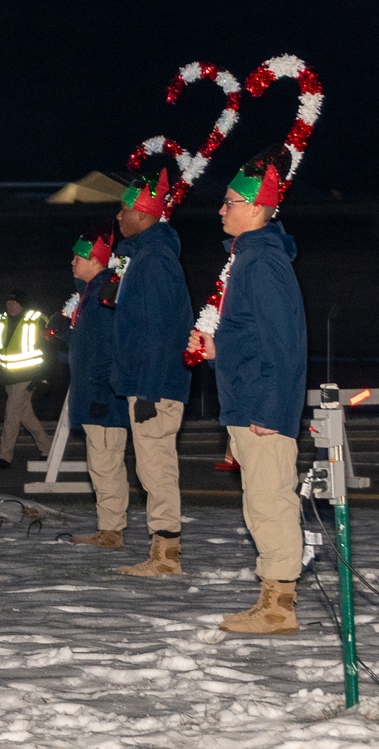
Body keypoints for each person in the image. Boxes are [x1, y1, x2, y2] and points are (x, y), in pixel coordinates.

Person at [187, 147, 306, 634]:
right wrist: (220, 349)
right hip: (247, 399)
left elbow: (285, 346)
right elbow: (253, 335)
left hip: (260, 406)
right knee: (258, 502)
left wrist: (271, 409)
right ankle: (270, 598)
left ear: (257, 207)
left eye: (230, 201)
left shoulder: (261, 263)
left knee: (270, 501)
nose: (221, 208)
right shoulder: (248, 258)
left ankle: (280, 607)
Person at [110, 169, 193, 576]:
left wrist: (147, 390)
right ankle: (163, 551)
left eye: (125, 210)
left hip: (155, 386)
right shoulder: (143, 256)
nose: (119, 217)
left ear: (143, 215)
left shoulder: (155, 260)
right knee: (151, 467)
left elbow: (160, 332)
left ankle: (165, 556)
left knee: (156, 468)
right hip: (149, 382)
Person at [61, 225, 131, 548]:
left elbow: (110, 348)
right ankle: (108, 526)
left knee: (106, 465)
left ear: (95, 260)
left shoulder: (104, 295)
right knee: (100, 464)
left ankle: (111, 531)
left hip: (102, 399)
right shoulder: (90, 295)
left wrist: (101, 389)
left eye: (78, 257)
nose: (72, 262)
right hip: (93, 396)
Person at [0, 290, 50, 469]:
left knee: (11, 414)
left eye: (15, 302)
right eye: (8, 302)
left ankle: (5, 456)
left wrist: (39, 376)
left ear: (23, 304)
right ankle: (48, 447)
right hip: (9, 378)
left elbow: (48, 350)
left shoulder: (36, 320)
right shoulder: (0, 321)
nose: (10, 305)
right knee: (25, 416)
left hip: (27, 377)